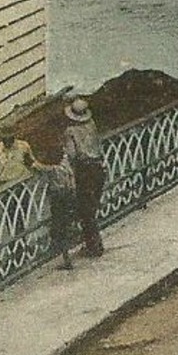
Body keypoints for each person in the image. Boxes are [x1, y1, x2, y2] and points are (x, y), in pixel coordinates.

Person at [61, 98, 106, 258]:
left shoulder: (70, 132)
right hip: (98, 168)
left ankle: (94, 246)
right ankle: (95, 243)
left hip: (84, 171)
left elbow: (72, 155)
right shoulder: (92, 125)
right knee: (92, 207)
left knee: (85, 210)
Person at [40, 158, 76, 270]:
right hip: (68, 193)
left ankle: (66, 258)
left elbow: (44, 168)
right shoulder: (65, 161)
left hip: (58, 196)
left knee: (60, 227)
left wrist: (33, 163)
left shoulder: (53, 167)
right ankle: (66, 255)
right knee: (65, 225)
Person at [0, 124, 36, 191]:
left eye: (10, 138)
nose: (8, 142)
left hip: (23, 180)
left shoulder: (23, 146)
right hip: (6, 184)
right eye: (5, 139)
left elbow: (31, 162)